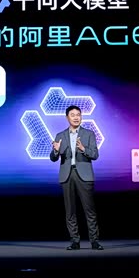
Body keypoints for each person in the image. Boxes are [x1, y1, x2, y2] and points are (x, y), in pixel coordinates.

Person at [50, 105, 103, 250]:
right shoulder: (60, 135)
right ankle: (74, 241)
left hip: (84, 175)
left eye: (78, 114)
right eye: (72, 115)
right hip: (67, 175)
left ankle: (94, 241)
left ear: (81, 117)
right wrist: (55, 151)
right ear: (67, 117)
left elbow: (95, 155)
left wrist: (84, 149)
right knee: (70, 211)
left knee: (89, 210)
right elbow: (53, 158)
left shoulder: (89, 134)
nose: (76, 117)